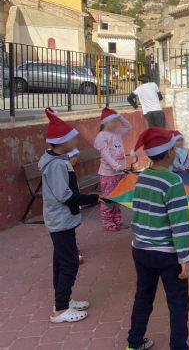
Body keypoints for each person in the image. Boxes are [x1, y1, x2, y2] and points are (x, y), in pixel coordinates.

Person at [127, 128, 189, 350]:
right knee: (178, 303)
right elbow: (179, 224)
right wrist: (184, 258)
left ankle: (133, 344)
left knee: (143, 297)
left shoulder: (143, 176)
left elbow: (139, 211)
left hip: (141, 250)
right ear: (170, 152)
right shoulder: (173, 182)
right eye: (174, 148)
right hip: (166, 254)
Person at [39, 108, 98, 324]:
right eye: (73, 138)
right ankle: (61, 310)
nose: (76, 141)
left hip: (62, 220)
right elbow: (65, 196)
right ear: (62, 142)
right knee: (70, 263)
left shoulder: (60, 160)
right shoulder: (56, 165)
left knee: (61, 262)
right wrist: (92, 199)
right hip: (60, 221)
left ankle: (62, 301)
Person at [94, 107, 132, 231]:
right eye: (113, 121)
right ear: (105, 122)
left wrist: (118, 115)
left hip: (120, 172)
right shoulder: (102, 136)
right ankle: (107, 221)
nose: (116, 124)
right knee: (109, 198)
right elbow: (106, 154)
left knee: (118, 197)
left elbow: (129, 126)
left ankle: (117, 220)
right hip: (108, 174)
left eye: (117, 121)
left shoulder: (117, 133)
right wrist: (116, 167)